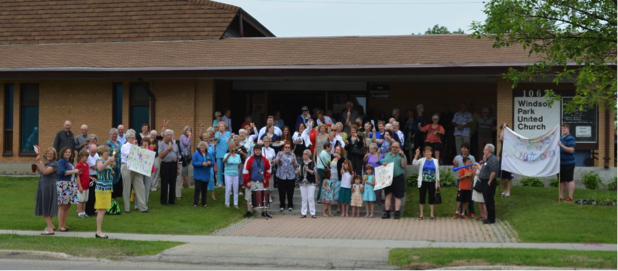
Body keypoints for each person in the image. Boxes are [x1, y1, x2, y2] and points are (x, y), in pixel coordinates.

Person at [120, 131, 148, 213]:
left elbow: (140, 156)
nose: (134, 139)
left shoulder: (136, 146)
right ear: (128, 138)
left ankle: (143, 207)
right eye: (132, 138)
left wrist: (142, 150)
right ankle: (127, 208)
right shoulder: (125, 146)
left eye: (134, 138)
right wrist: (137, 148)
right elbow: (130, 155)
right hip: (127, 166)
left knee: (141, 186)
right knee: (127, 187)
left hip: (136, 167)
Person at [242, 145, 272, 218]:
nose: (258, 151)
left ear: (261, 151)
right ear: (254, 151)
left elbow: (269, 170)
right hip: (251, 181)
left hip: (262, 182)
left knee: (263, 197)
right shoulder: (249, 159)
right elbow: (245, 171)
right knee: (249, 197)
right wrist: (247, 181)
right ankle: (249, 211)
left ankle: (264, 212)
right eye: (256, 150)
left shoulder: (265, 160)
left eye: (259, 150)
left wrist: (266, 178)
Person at [35, 147, 59, 235]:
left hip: (48, 188)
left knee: (46, 208)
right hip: (44, 187)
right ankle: (51, 226)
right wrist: (38, 169)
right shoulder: (47, 164)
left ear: (54, 155)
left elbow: (45, 172)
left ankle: (50, 230)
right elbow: (43, 174)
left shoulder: (54, 164)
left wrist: (40, 162)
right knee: (47, 208)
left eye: (51, 154)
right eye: (48, 153)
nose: (49, 155)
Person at [413, 146, 440, 220]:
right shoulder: (422, 160)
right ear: (424, 153)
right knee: (422, 198)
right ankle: (421, 214)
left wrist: (438, 182)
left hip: (432, 182)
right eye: (426, 152)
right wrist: (417, 154)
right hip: (423, 182)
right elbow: (414, 163)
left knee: (432, 198)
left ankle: (432, 214)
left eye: (429, 151)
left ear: (431, 152)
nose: (428, 153)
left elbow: (437, 172)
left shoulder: (435, 161)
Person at [381, 142, 407, 219]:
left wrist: (402, 156)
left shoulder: (401, 155)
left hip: (398, 178)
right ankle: (387, 212)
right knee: (388, 196)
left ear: (399, 148)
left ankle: (396, 212)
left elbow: (404, 165)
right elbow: (384, 164)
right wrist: (384, 164)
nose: (394, 148)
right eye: (393, 147)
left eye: (396, 147)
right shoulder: (387, 155)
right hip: (388, 178)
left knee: (397, 196)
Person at [57, 147, 80, 232]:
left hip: (70, 185)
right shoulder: (61, 162)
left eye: (69, 152)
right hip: (63, 185)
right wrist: (74, 171)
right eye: (66, 152)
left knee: (68, 205)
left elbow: (72, 172)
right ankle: (60, 225)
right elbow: (62, 172)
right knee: (63, 205)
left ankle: (63, 223)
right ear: (62, 153)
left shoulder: (69, 162)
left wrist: (76, 172)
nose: (67, 153)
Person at [95, 145, 115, 239]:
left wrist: (110, 165)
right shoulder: (99, 160)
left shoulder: (105, 161)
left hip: (107, 188)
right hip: (102, 188)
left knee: (104, 210)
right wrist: (108, 161)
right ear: (102, 153)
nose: (108, 153)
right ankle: (98, 231)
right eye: (107, 152)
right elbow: (100, 168)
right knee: (101, 210)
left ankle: (99, 231)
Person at [453, 142, 476, 217]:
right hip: (461, 178)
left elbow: (473, 168)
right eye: (462, 148)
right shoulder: (457, 157)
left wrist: (472, 177)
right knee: (461, 196)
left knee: (470, 196)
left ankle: (471, 211)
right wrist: (454, 164)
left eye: (465, 148)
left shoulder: (472, 158)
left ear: (468, 149)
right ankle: (462, 212)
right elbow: (456, 167)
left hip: (469, 179)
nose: (463, 149)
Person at [477, 143, 499, 224]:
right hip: (484, 181)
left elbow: (493, 172)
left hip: (488, 182)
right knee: (487, 200)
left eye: (484, 150)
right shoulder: (488, 159)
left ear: (489, 151)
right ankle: (489, 217)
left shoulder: (493, 159)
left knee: (489, 201)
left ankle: (491, 218)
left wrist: (489, 182)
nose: (483, 151)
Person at [159, 129, 180, 206]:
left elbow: (177, 157)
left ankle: (172, 200)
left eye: (170, 135)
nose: (169, 136)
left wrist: (177, 168)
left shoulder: (175, 144)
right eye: (167, 135)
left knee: (173, 183)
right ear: (164, 136)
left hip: (173, 165)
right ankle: (163, 201)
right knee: (164, 183)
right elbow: (160, 155)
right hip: (165, 165)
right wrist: (167, 149)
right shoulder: (161, 144)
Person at [275, 142, 298, 212]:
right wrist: (280, 157)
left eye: (289, 147)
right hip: (281, 176)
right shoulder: (280, 153)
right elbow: (275, 163)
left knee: (290, 191)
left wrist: (294, 162)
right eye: (286, 147)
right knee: (281, 192)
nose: (287, 149)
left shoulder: (293, 154)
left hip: (291, 176)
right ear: (283, 148)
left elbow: (296, 166)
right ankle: (282, 205)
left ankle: (290, 205)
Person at [192, 141, 214, 207]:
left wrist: (210, 163)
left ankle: (204, 203)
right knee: (197, 189)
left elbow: (213, 162)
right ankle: (195, 203)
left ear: (206, 147)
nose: (202, 147)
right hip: (198, 174)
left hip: (206, 174)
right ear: (199, 146)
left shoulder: (209, 154)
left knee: (204, 190)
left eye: (204, 146)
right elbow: (193, 163)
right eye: (201, 145)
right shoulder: (196, 154)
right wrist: (201, 164)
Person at [558, 124, 576, 201]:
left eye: (565, 128)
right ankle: (561, 196)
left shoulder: (571, 138)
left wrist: (561, 145)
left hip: (569, 162)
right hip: (560, 163)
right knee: (561, 180)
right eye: (562, 129)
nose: (563, 130)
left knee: (569, 180)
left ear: (568, 129)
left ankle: (570, 197)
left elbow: (571, 150)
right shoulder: (560, 138)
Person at [104, 128, 122, 200]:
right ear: (110, 134)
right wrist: (110, 160)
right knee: (112, 181)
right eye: (113, 134)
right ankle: (111, 198)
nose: (115, 135)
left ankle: (115, 197)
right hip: (112, 165)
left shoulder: (119, 142)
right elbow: (105, 155)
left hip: (119, 165)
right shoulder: (107, 143)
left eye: (116, 134)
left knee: (117, 181)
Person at [298, 149, 317, 218]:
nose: (304, 155)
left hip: (311, 182)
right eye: (303, 154)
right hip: (302, 182)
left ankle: (313, 213)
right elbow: (299, 172)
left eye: (305, 154)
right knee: (303, 198)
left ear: (309, 155)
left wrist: (308, 170)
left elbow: (315, 172)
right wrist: (297, 171)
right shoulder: (301, 163)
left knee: (311, 197)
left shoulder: (313, 163)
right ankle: (303, 213)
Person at [498, 124, 514, 197]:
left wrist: (506, 129)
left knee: (509, 176)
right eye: (502, 129)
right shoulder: (501, 135)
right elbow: (501, 139)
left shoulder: (511, 137)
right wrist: (503, 130)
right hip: (502, 157)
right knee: (502, 176)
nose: (503, 130)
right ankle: (504, 190)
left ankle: (508, 191)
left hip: (509, 158)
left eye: (504, 129)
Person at [214, 122, 232, 187]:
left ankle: (226, 182)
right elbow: (216, 141)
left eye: (222, 126)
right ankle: (220, 182)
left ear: (225, 127)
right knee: (219, 168)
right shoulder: (217, 133)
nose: (221, 127)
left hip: (226, 153)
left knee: (227, 168)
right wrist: (219, 133)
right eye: (220, 126)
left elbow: (230, 141)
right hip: (219, 153)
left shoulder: (228, 133)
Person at [75, 149, 91, 218]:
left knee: (84, 200)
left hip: (86, 185)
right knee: (80, 200)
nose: (86, 159)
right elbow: (78, 176)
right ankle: (80, 213)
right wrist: (80, 186)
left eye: (87, 157)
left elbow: (86, 174)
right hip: (82, 186)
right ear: (81, 156)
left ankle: (84, 212)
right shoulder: (79, 165)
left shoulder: (87, 165)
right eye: (85, 157)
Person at [331, 145, 347, 212]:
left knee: (338, 192)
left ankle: (339, 206)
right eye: (336, 149)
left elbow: (341, 160)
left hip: (338, 177)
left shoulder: (342, 158)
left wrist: (337, 156)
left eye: (339, 150)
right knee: (331, 192)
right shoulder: (332, 158)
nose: (337, 151)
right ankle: (328, 206)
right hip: (331, 177)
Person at [85, 143, 99, 217]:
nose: (93, 154)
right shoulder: (88, 156)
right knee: (90, 194)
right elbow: (94, 167)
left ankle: (93, 210)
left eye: (95, 152)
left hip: (96, 175)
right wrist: (101, 166)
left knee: (94, 194)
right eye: (92, 152)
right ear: (89, 150)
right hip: (90, 176)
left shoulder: (96, 155)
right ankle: (88, 211)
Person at [140, 137, 154, 205]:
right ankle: (138, 203)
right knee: (140, 187)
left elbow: (150, 156)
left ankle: (145, 203)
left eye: (146, 141)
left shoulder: (151, 149)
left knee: (147, 187)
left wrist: (146, 149)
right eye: (144, 141)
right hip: (140, 169)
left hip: (148, 170)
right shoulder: (139, 149)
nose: (145, 143)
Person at [180, 126, 193, 190]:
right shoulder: (182, 136)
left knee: (185, 171)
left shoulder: (188, 137)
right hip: (183, 155)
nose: (189, 132)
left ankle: (184, 184)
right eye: (188, 130)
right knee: (184, 171)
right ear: (185, 131)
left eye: (190, 130)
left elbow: (189, 146)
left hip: (187, 155)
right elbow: (185, 143)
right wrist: (189, 137)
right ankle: (186, 184)